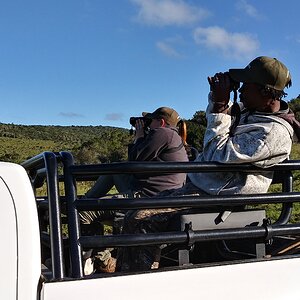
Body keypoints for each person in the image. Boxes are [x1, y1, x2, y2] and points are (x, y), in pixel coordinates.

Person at [118, 56, 300, 272]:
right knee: (133, 212)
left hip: (218, 198)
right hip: (202, 190)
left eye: (245, 85)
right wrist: (218, 99)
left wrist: (220, 108)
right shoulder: (255, 113)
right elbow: (222, 117)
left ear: (265, 91)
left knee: (140, 220)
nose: (240, 90)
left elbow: (217, 153)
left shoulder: (273, 132)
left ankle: (141, 281)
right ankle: (128, 272)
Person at [80, 106, 189, 274]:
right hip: (153, 191)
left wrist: (139, 138)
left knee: (83, 213)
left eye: (150, 121)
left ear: (161, 122)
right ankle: (85, 203)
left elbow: (135, 160)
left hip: (149, 195)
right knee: (113, 170)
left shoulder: (163, 133)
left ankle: (98, 258)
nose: (147, 125)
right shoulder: (173, 137)